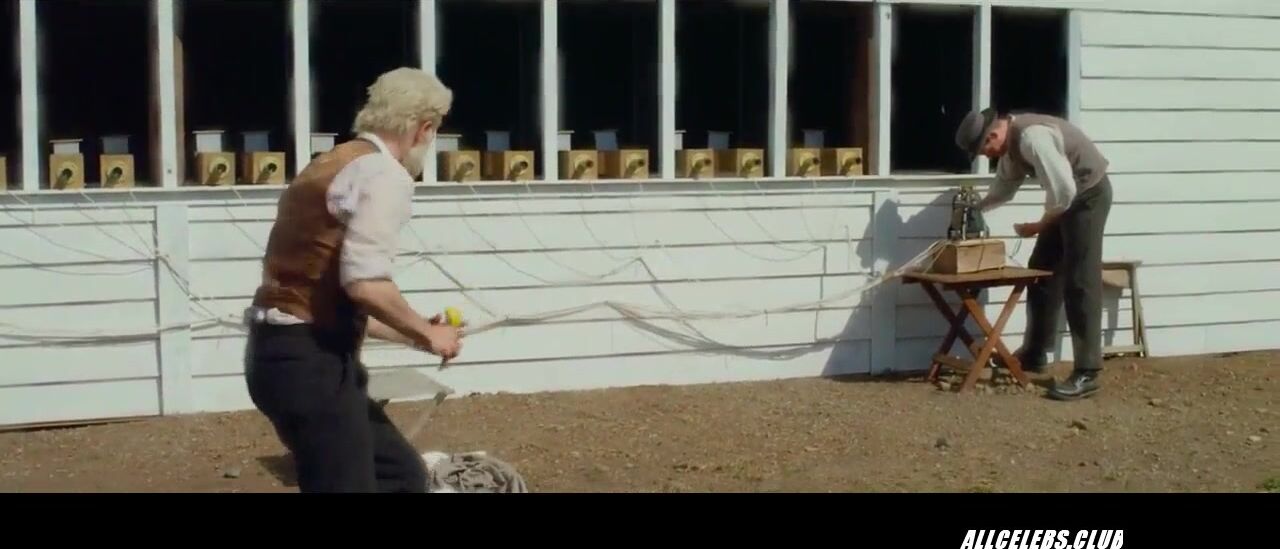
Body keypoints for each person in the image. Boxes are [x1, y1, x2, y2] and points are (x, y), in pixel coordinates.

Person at [242, 67, 463, 492]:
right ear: (424, 128)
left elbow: (333, 295)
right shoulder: (384, 174)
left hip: (280, 356)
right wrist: (430, 334)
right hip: (311, 363)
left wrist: (415, 333)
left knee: (399, 474)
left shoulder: (331, 162)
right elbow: (366, 284)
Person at [953, 108, 1113, 401]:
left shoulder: (1032, 138)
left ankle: (1087, 372)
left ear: (992, 135)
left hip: (1088, 194)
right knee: (1041, 270)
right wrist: (977, 208)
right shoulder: (1011, 149)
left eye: (985, 150)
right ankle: (1035, 351)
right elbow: (1004, 188)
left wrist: (1038, 226)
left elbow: (1064, 192)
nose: (987, 156)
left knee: (1080, 279)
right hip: (1067, 199)